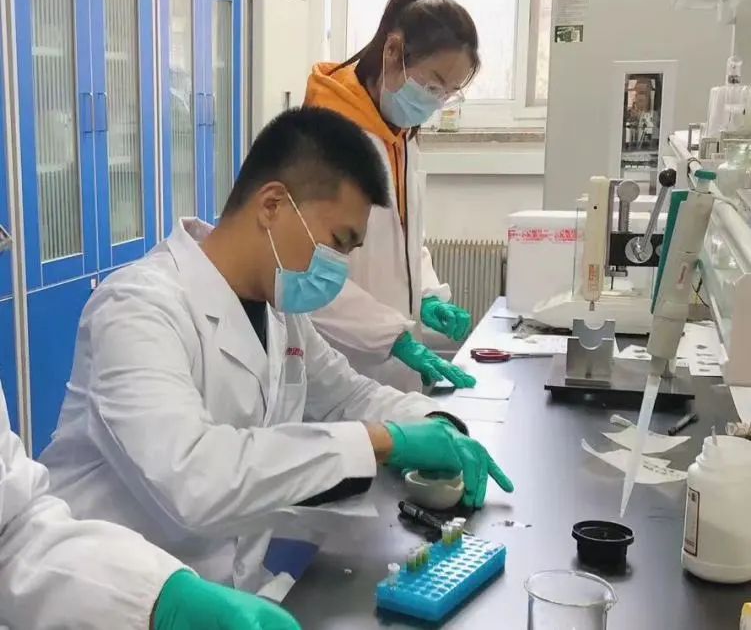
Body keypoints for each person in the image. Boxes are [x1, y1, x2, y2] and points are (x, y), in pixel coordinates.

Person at [41, 108, 513, 596]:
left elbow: (347, 396)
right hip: (107, 597)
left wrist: (436, 423)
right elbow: (193, 478)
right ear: (272, 205)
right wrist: (384, 442)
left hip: (223, 590)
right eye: (337, 243)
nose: (339, 269)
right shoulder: (137, 307)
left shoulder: (280, 312)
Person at [0, 386, 300, 630]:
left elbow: (14, 530)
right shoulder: (128, 330)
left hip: (105, 580)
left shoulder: (288, 332)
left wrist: (156, 597)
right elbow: (190, 479)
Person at [305, 0, 480, 393]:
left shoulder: (398, 132)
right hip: (336, 367)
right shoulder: (327, 137)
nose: (435, 102)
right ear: (392, 51)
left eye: (449, 93)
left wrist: (427, 294)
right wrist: (391, 336)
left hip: (389, 369)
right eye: (432, 85)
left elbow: (405, 238)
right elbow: (307, 272)